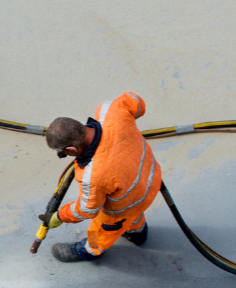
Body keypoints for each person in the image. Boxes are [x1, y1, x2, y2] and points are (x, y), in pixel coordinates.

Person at [39, 92, 162, 262]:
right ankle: (137, 234)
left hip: (124, 205)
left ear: (72, 149)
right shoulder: (111, 110)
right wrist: (126, 126)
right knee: (134, 214)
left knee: (104, 230)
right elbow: (135, 101)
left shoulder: (94, 176)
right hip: (150, 180)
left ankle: (89, 251)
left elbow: (87, 209)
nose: (64, 155)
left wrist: (60, 216)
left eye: (63, 153)